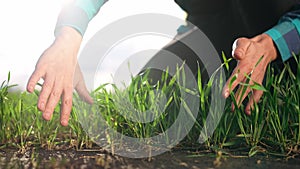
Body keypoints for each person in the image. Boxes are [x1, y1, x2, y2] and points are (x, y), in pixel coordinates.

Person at [27, 0, 300, 126]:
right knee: (149, 87)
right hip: (213, 29)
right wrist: (68, 37)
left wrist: (271, 45)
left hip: (284, 31)